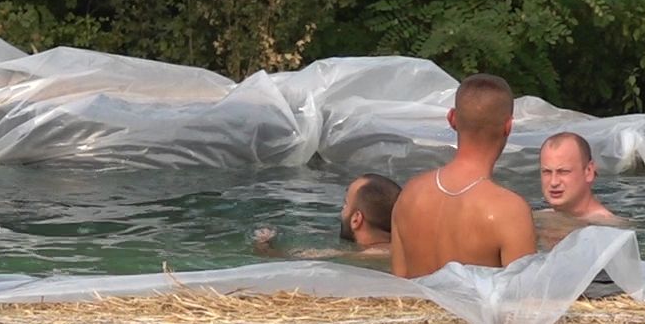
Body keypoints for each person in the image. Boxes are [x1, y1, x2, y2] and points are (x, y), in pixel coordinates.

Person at [390, 74, 537, 277]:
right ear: (508, 126)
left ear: (452, 118)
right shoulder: (509, 212)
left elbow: (396, 294)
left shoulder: (409, 195)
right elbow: (521, 301)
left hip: (417, 309)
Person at [253, 174, 399, 260]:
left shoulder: (369, 254)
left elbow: (285, 258)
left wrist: (263, 244)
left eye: (345, 205)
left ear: (356, 220)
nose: (341, 212)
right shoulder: (402, 249)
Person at [536, 131, 621, 249]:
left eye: (563, 172)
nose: (554, 182)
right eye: (547, 172)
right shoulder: (539, 218)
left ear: (589, 171)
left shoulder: (608, 228)